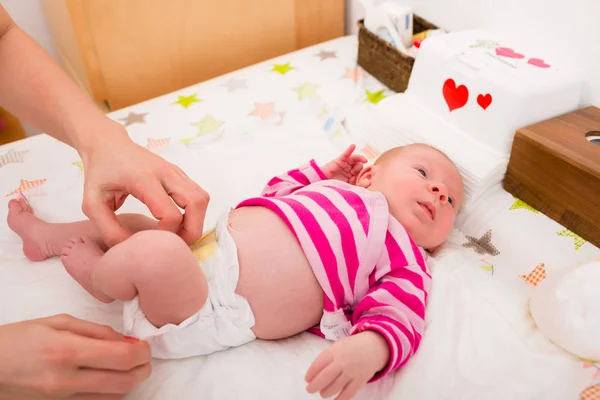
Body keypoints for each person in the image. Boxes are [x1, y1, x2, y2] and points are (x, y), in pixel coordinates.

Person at [8, 143, 465, 400]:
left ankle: (101, 280)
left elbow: (401, 313)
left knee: (156, 254)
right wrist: (318, 172)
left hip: (215, 305)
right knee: (138, 225)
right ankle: (48, 234)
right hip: (207, 247)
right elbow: (276, 193)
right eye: (423, 172)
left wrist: (372, 347)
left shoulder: (403, 253)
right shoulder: (332, 189)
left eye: (450, 201)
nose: (438, 190)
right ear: (368, 175)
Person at [0, 5, 209, 398]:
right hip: (202, 273)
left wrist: (102, 141)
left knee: (134, 231)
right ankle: (93, 271)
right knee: (149, 246)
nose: (366, 171)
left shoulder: (362, 229)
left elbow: (1, 35)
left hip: (221, 289)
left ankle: (66, 252)